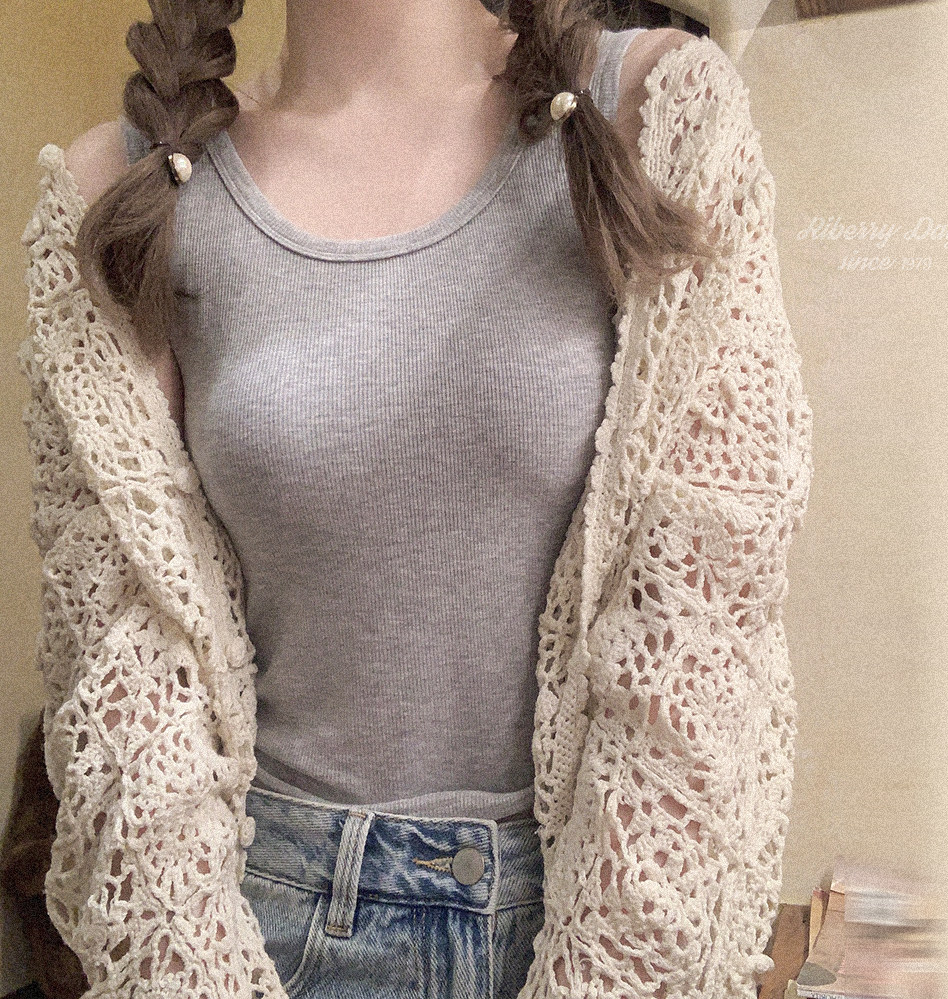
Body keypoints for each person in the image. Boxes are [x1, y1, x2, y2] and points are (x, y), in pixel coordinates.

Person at [17, 0, 814, 996]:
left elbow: (702, 623)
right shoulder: (121, 186)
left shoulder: (656, 111)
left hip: (601, 916)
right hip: (252, 928)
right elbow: (125, 677)